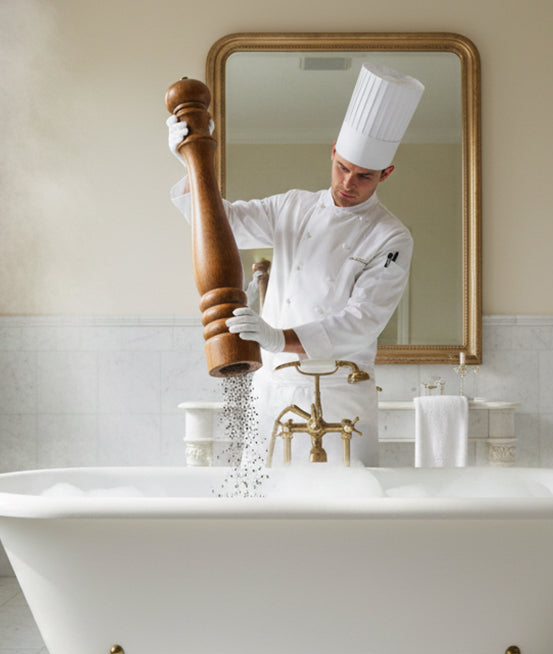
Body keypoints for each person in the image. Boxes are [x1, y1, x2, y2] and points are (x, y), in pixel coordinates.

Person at [168, 63, 424, 469]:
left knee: (346, 514)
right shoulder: (292, 206)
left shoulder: (391, 237)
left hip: (342, 395)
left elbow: (362, 321)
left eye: (364, 176)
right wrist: (191, 163)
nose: (348, 183)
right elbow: (220, 224)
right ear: (334, 149)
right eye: (343, 167)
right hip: (273, 389)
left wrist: (276, 337)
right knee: (265, 514)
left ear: (385, 174)